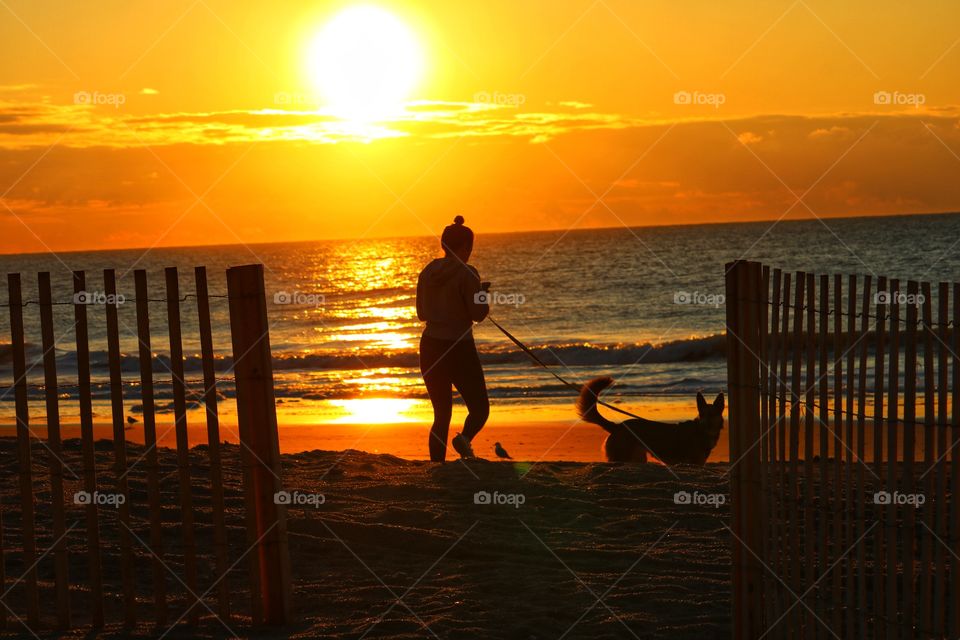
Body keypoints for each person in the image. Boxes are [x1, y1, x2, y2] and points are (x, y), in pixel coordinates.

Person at [416, 215, 490, 461]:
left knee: (441, 415)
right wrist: (481, 296)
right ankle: (464, 439)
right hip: (459, 348)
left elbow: (421, 313)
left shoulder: (427, 272)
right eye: (469, 247)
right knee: (479, 409)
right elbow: (479, 315)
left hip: (430, 345)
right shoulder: (468, 273)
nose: (470, 252)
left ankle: (437, 466)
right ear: (465, 247)